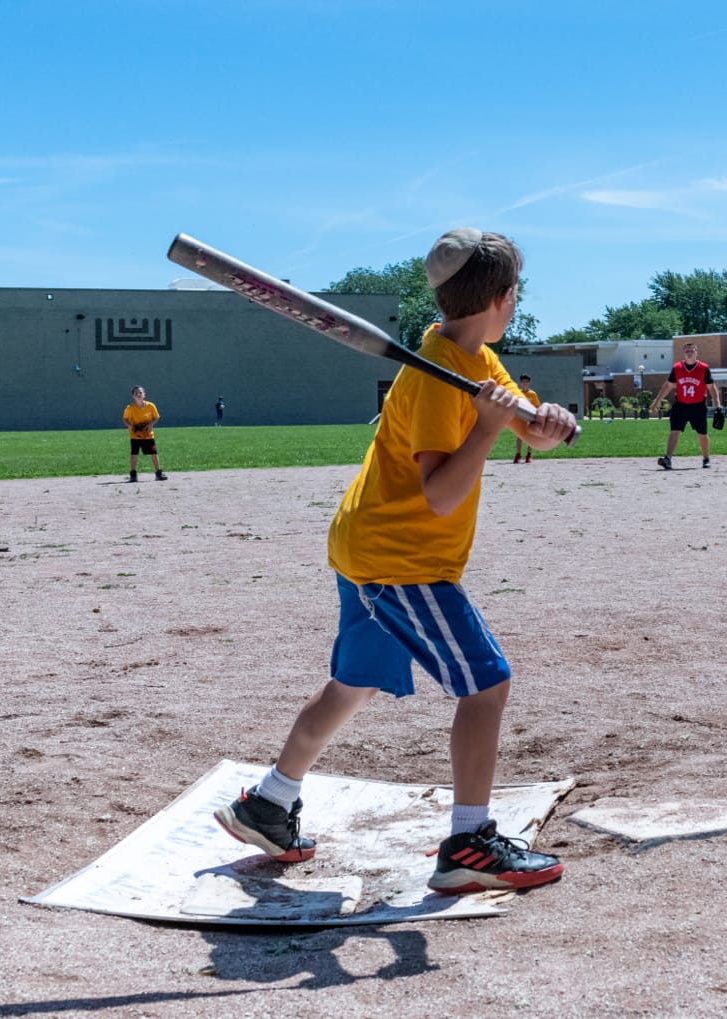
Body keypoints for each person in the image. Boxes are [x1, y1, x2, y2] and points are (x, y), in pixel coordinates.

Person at [212, 228, 577, 894]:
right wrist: (492, 428)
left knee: (353, 681)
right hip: (400, 559)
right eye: (516, 292)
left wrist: (543, 421)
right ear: (501, 298)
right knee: (485, 683)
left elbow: (526, 426)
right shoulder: (438, 379)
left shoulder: (470, 357)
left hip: (368, 547)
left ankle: (267, 801)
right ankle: (468, 844)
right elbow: (441, 494)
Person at [648, 341, 723, 469]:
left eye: (692, 351)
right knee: (674, 431)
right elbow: (668, 386)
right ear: (684, 353)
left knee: (702, 434)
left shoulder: (703, 368)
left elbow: (711, 387)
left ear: (696, 353)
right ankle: (668, 459)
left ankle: (706, 459)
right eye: (687, 351)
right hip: (681, 405)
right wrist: (657, 401)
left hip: (698, 406)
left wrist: (718, 404)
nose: (689, 353)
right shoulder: (677, 368)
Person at [122, 386, 168, 482]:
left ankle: (158, 473)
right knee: (134, 453)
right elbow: (125, 419)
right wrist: (130, 426)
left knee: (153, 453)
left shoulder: (150, 406)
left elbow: (156, 417)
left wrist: (151, 425)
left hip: (148, 434)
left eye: (140, 392)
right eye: (136, 393)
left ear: (144, 394)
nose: (138, 394)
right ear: (133, 396)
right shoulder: (130, 408)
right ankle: (133, 474)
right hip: (135, 435)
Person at [512, 374, 542, 462]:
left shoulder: (532, 394)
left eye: (526, 382)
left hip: (530, 417)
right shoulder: (518, 393)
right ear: (520, 383)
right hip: (521, 417)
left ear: (529, 383)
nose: (525, 383)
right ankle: (518, 454)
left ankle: (528, 455)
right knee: (519, 436)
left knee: (530, 436)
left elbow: (537, 405)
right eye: (523, 382)